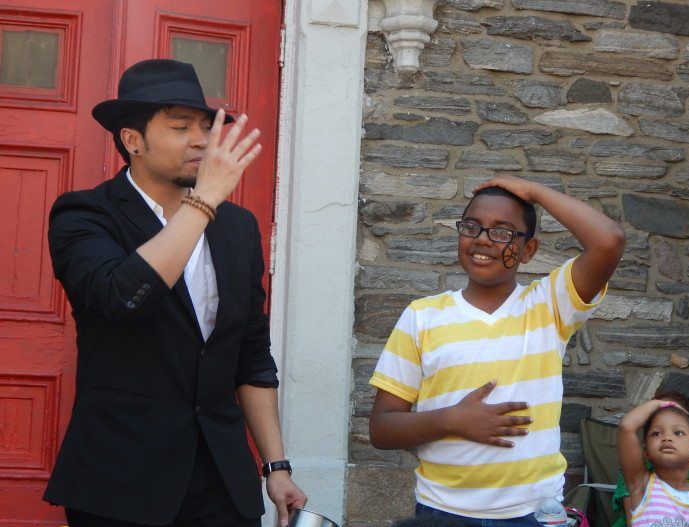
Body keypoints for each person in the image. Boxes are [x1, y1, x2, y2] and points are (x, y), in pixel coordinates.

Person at [44, 59, 306, 527]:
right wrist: (202, 203)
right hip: (121, 480)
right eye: (181, 126)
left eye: (206, 127)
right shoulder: (85, 214)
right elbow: (123, 298)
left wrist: (276, 465)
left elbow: (250, 354)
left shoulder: (237, 227)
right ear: (133, 140)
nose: (202, 140)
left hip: (222, 479)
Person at [368, 176, 626, 525]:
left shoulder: (549, 306)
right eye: (472, 227)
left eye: (503, 232)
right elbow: (382, 429)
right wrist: (451, 420)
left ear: (528, 249)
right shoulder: (422, 317)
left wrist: (533, 192)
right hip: (443, 513)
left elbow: (608, 241)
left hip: (534, 514)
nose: (484, 240)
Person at [612, 390, 689, 527]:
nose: (667, 437)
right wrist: (659, 404)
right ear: (645, 452)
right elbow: (626, 428)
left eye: (678, 432)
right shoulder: (642, 486)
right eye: (656, 433)